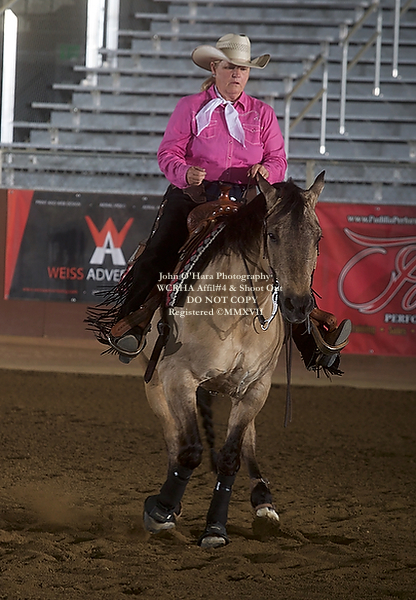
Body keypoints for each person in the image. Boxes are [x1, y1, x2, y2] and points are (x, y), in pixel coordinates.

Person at [89, 33, 350, 373]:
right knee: (159, 250)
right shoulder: (189, 107)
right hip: (193, 195)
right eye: (230, 67)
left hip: (247, 199)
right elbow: (168, 153)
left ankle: (311, 342)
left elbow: (278, 159)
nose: (237, 74)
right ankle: (131, 325)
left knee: (287, 250)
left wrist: (266, 170)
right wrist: (185, 172)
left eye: (243, 69)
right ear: (215, 68)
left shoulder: (263, 113)